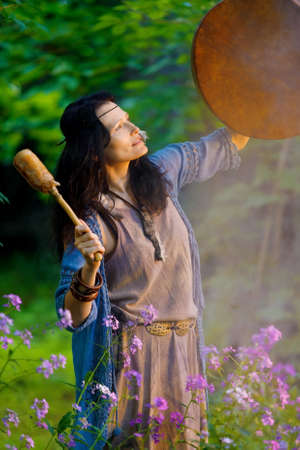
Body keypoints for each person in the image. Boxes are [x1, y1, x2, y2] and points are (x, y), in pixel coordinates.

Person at [54, 91, 249, 449]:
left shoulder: (164, 172)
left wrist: (256, 89)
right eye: (119, 126)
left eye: (128, 119)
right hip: (131, 360)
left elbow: (228, 142)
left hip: (184, 348)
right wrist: (89, 268)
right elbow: (71, 316)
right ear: (95, 149)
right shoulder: (90, 222)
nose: (134, 128)